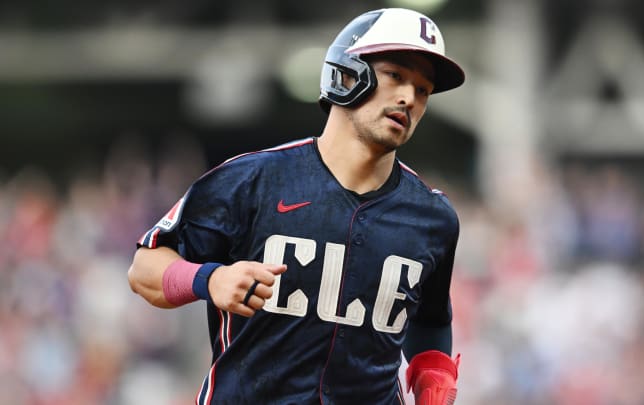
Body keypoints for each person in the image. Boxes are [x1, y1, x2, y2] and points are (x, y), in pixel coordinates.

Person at [128, 7, 465, 405]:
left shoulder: (432, 218)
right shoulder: (252, 180)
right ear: (347, 73)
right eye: (395, 75)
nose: (409, 97)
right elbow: (145, 270)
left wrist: (432, 374)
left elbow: (429, 320)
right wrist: (210, 279)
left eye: (423, 90)